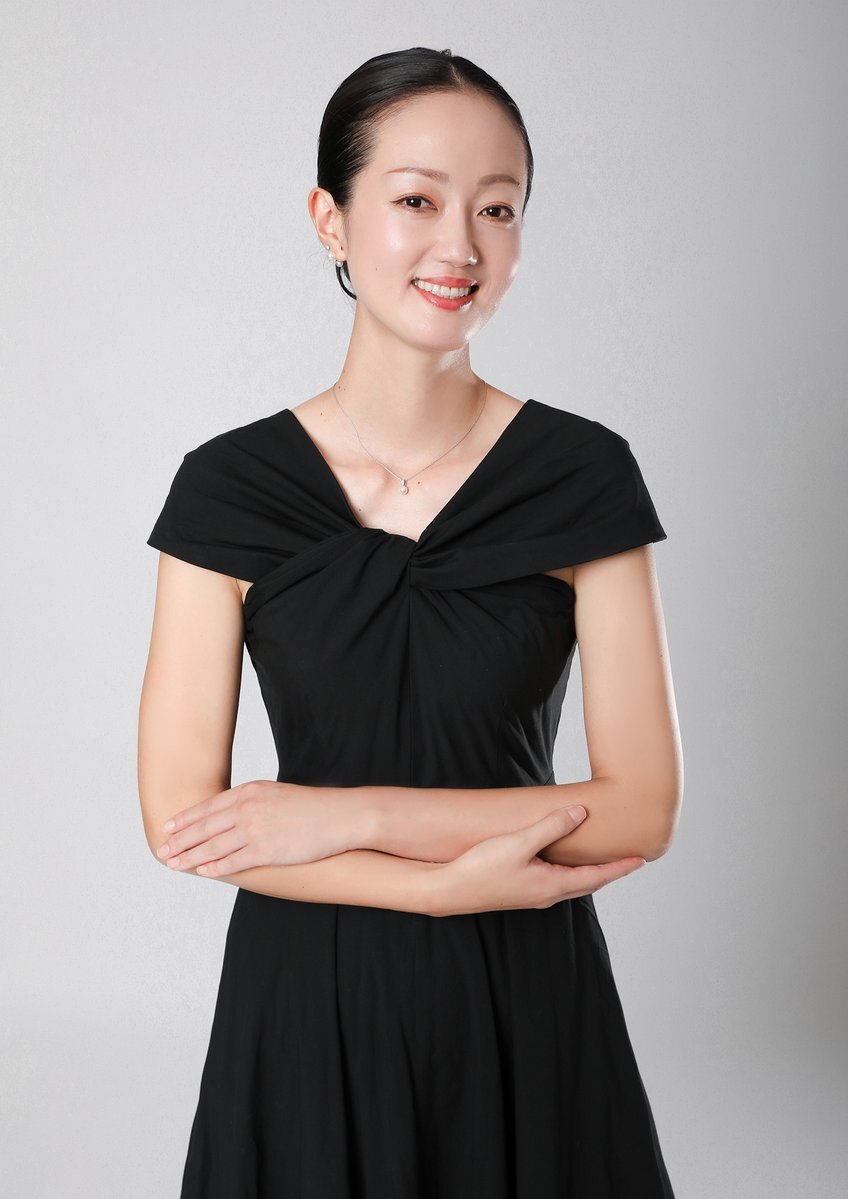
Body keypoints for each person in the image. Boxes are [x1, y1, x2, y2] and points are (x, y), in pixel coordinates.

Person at [138, 45, 682, 1198]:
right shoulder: (225, 488)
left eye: (497, 207)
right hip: (305, 1006)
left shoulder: (582, 474)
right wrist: (432, 885)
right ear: (330, 221)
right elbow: (184, 821)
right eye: (417, 201)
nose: (461, 247)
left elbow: (641, 807)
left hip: (524, 998)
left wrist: (347, 814)